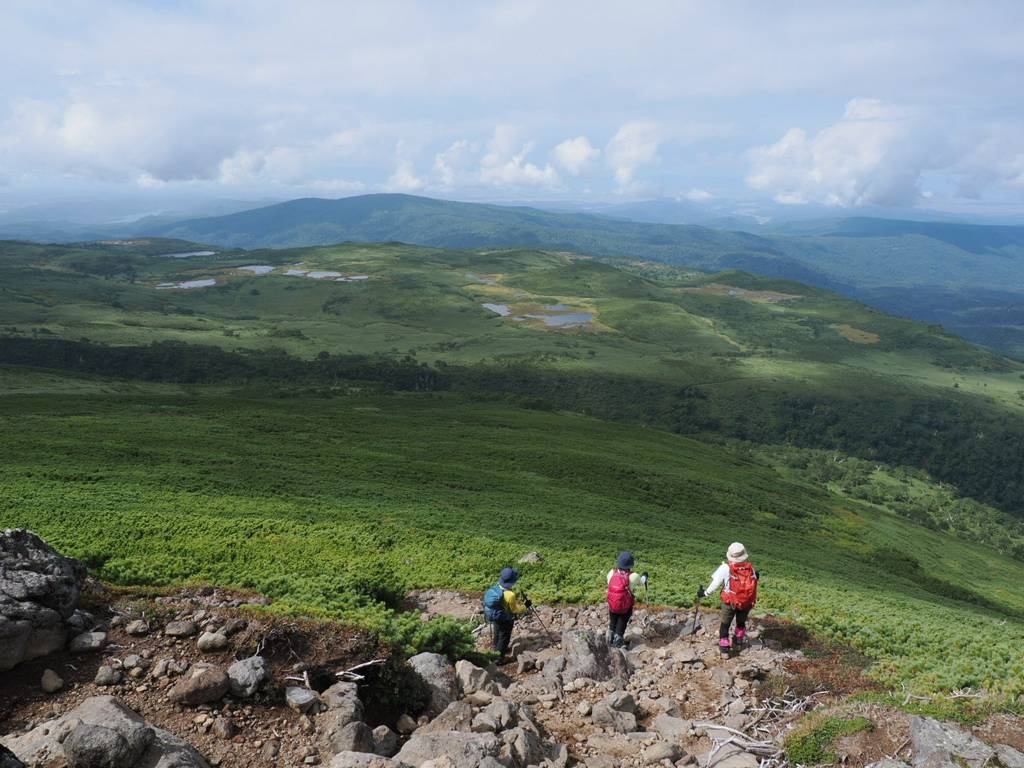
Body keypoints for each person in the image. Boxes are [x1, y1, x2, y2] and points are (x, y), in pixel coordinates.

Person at [698, 542, 759, 655]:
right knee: (741, 623)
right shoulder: (750, 568)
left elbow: (716, 584)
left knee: (725, 624)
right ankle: (738, 640)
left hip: (730, 602)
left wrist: (705, 593)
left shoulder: (726, 567)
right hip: (745, 603)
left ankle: (724, 649)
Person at [482, 567, 530, 659]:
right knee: (504, 637)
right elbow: (515, 610)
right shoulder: (510, 595)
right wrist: (525, 606)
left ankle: (496, 649)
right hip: (505, 618)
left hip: (495, 615)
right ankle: (498, 659)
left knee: (497, 632)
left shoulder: (497, 586)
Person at [606, 551, 642, 648]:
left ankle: (610, 637)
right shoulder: (633, 576)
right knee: (622, 620)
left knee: (613, 621)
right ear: (631, 564)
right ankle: (618, 640)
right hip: (625, 607)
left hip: (612, 605)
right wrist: (645, 577)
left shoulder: (611, 573)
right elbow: (641, 582)